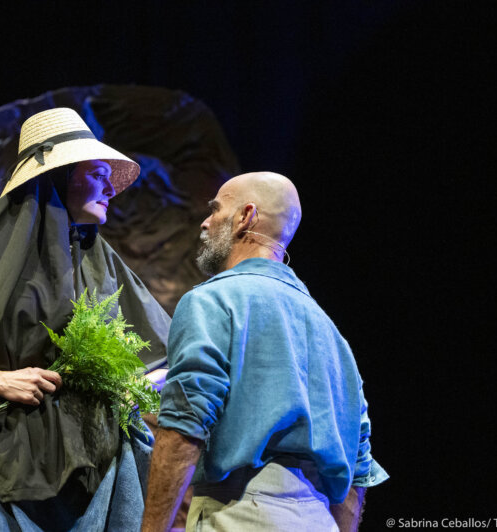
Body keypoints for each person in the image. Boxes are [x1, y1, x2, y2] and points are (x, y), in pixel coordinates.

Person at [0, 108, 171, 531]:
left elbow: (163, 357)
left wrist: (128, 385)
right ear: (60, 174)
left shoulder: (101, 261)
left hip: (94, 462)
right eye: (98, 172)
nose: (110, 189)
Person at [141, 172, 388, 532]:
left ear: (246, 217)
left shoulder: (212, 301)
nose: (205, 222)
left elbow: (184, 425)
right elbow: (357, 472)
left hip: (242, 515)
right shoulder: (333, 335)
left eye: (216, 209)